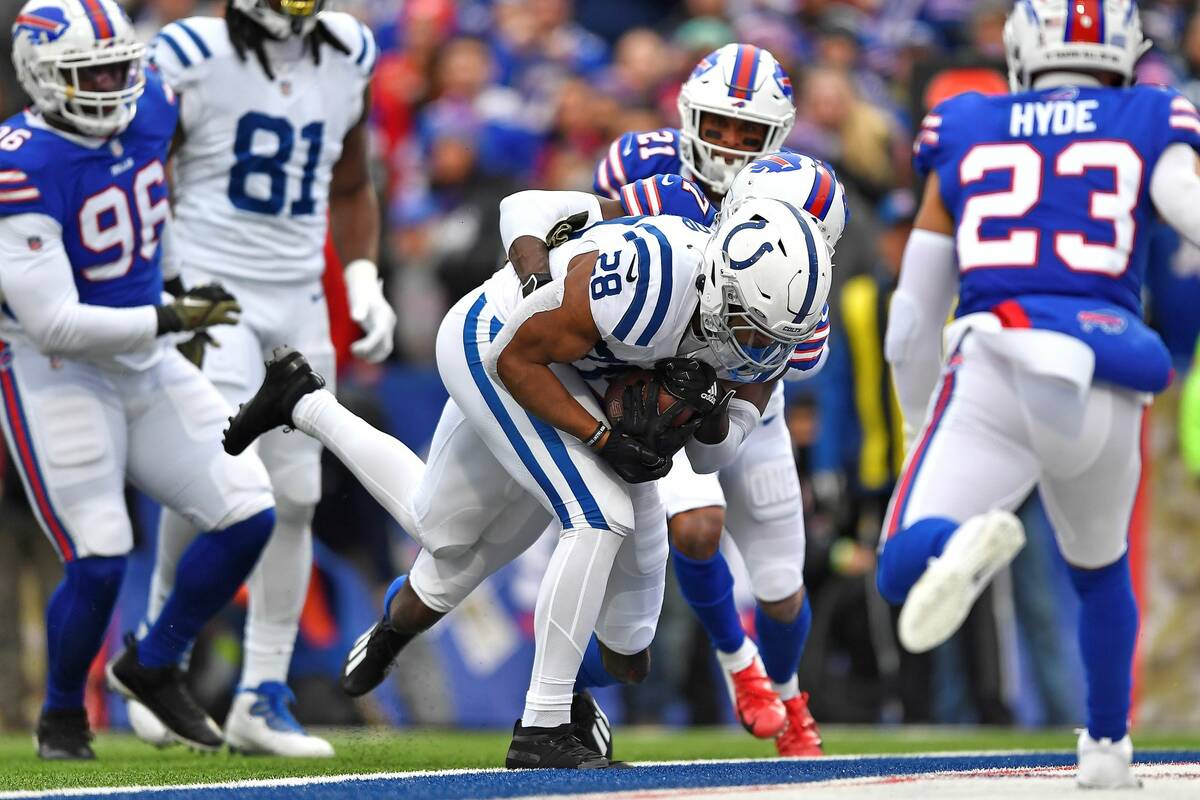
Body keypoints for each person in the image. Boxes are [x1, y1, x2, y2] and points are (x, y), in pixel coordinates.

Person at [225, 195, 834, 768]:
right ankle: (544, 723)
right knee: (598, 515)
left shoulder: (773, 328)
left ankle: (300, 400)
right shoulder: (650, 278)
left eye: (772, 337)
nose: (755, 347)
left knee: (621, 644)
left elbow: (710, 459)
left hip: (578, 378)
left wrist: (709, 409)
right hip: (495, 343)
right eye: (748, 326)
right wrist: (604, 440)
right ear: (722, 276)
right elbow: (515, 357)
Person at [878, 0, 1200, 788]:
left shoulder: (963, 121)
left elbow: (912, 318)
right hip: (1105, 370)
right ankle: (1105, 750)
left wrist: (922, 423)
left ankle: (956, 545)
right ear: (1125, 51)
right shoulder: (1151, 112)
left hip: (995, 362)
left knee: (899, 564)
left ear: (1022, 50)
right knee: (1099, 570)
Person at [2, 0, 278, 759]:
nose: (112, 84)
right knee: (99, 553)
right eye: (90, 72)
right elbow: (54, 320)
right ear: (37, 73)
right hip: (55, 367)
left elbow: (171, 192)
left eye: (121, 65)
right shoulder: (19, 159)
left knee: (250, 509)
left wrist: (176, 289)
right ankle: (62, 717)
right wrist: (171, 316)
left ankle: (153, 662)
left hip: (145, 354)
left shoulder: (151, 102)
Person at [130, 0, 396, 757]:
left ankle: (261, 695)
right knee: (214, 471)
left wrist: (364, 273)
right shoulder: (188, 52)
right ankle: (161, 657)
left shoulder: (349, 48)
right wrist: (162, 274)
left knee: (299, 497)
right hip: (211, 285)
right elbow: (141, 172)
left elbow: (349, 184)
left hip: (300, 295)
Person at [593, 43, 847, 755]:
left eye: (749, 134)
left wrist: (731, 411)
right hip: (662, 391)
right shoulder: (641, 173)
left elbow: (793, 358)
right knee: (696, 528)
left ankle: (789, 693)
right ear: (687, 116)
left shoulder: (800, 207)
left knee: (781, 586)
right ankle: (744, 670)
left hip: (746, 403)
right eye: (719, 126)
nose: (730, 146)